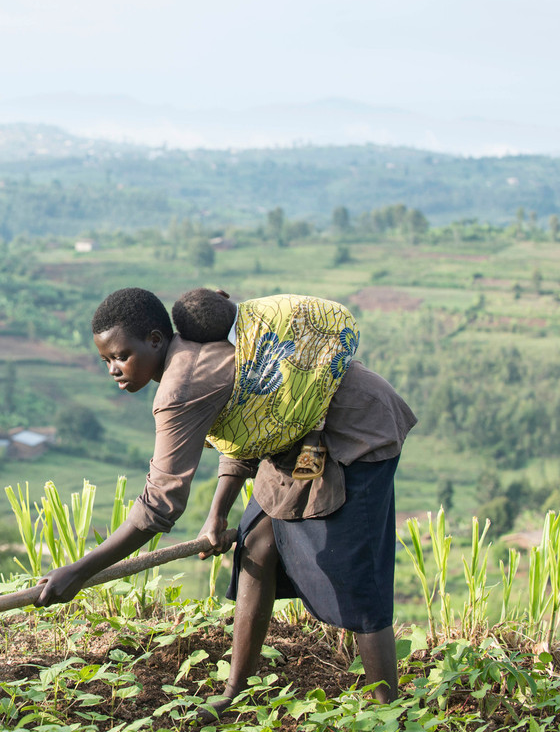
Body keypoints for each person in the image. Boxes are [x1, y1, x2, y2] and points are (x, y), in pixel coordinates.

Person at [33, 287, 417, 723]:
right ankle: (236, 690)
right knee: (255, 545)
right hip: (295, 438)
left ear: (156, 340)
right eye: (106, 360)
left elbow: (159, 506)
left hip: (355, 427)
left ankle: (392, 713)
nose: (113, 370)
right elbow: (247, 419)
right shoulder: (195, 349)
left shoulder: (179, 388)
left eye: (121, 356)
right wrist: (219, 511)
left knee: (356, 573)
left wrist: (80, 571)